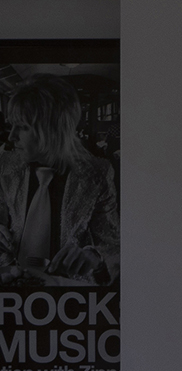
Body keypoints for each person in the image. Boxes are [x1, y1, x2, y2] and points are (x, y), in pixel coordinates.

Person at [0, 74, 118, 286]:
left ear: (52, 129)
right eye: (12, 126)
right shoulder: (5, 165)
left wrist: (95, 257)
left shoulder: (97, 173)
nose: (11, 137)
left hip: (67, 294)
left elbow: (113, 247)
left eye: (23, 127)